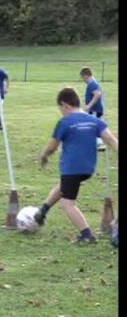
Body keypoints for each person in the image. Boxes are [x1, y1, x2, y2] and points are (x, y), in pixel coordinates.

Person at [33, 87, 119, 244]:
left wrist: (44, 155)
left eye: (60, 108)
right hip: (88, 168)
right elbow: (111, 139)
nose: (61, 112)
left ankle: (87, 235)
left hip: (72, 167)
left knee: (67, 203)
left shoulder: (65, 122)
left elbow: (52, 147)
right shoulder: (94, 121)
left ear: (65, 105)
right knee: (63, 186)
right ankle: (42, 211)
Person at [80, 66, 106, 151]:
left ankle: (99, 144)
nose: (83, 80)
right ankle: (96, 142)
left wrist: (89, 106)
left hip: (95, 110)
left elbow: (97, 94)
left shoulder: (92, 84)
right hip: (96, 109)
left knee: (94, 126)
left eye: (82, 78)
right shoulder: (94, 82)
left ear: (85, 76)